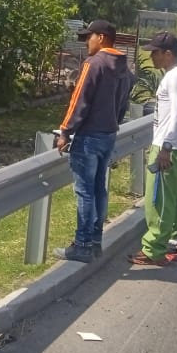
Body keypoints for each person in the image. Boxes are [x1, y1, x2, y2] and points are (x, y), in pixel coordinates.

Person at [54, 20, 131, 263]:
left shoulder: (94, 64)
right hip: (108, 134)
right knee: (99, 188)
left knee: (84, 191)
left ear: (101, 37)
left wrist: (66, 131)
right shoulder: (124, 68)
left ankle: (82, 244)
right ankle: (95, 240)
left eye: (89, 37)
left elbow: (79, 100)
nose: (87, 42)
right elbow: (123, 104)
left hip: (88, 137)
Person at [129, 32, 177, 266]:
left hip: (168, 147)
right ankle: (170, 243)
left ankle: (153, 249)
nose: (151, 56)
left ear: (168, 53)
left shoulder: (174, 78)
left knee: (158, 200)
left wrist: (166, 148)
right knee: (172, 198)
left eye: (155, 52)